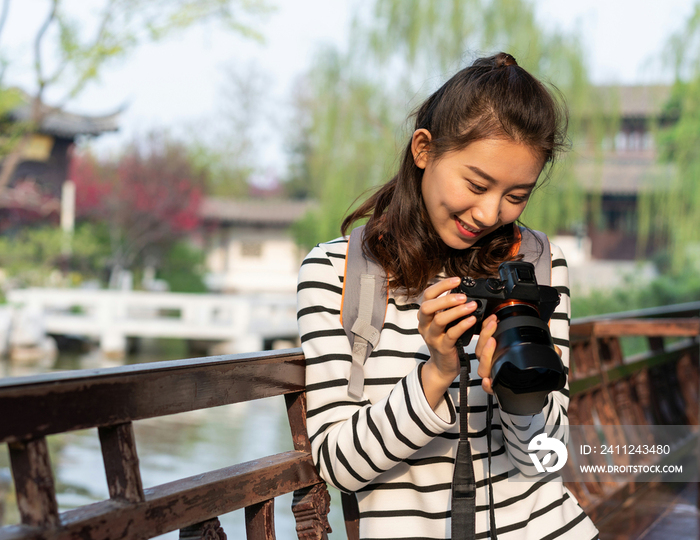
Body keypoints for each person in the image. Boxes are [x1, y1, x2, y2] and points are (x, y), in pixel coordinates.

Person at [297, 52, 599, 540]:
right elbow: (338, 465)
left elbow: (547, 457)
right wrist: (435, 371)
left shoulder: (538, 262)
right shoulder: (339, 271)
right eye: (476, 184)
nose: (488, 212)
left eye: (516, 196)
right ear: (423, 149)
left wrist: (515, 388)